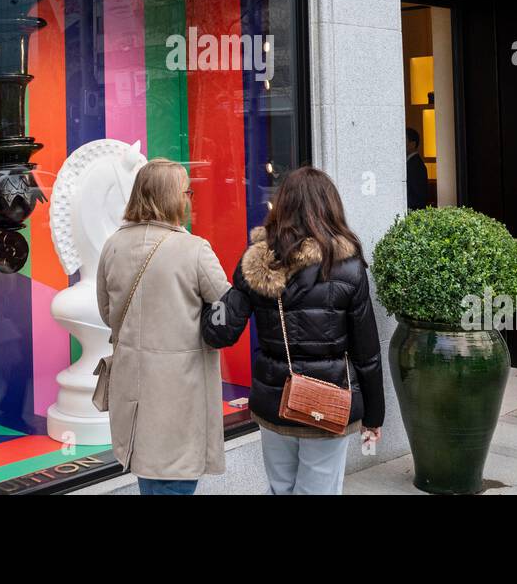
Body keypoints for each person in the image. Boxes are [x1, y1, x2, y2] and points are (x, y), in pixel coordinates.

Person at [203, 167, 384, 495]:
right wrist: (374, 415)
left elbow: (220, 332)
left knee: (281, 487)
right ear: (330, 209)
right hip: (331, 399)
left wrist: (203, 299)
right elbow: (367, 352)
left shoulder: (257, 262)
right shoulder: (348, 267)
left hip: (274, 396)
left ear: (282, 207)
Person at [95, 158, 231, 495]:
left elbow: (106, 311)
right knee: (175, 481)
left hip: (134, 390)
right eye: (187, 191)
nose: (189, 198)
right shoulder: (194, 250)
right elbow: (227, 312)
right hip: (180, 394)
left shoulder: (113, 245)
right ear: (172, 197)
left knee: (149, 478)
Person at [405, 127, 428, 211]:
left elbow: (418, 195)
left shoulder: (416, 165)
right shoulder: (411, 163)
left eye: (404, 140)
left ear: (412, 144)